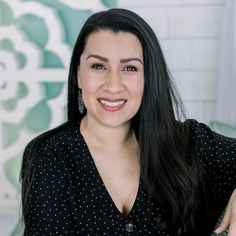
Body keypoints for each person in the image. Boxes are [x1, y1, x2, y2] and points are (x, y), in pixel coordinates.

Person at [20, 8, 236, 235]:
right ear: (78, 75)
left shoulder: (190, 144)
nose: (113, 85)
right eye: (98, 66)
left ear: (149, 78)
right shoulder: (50, 156)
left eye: (130, 68)